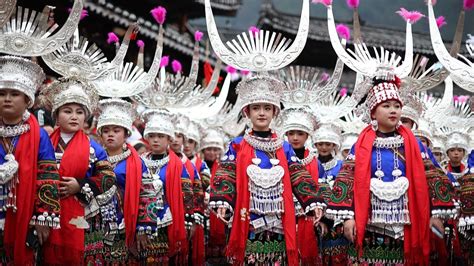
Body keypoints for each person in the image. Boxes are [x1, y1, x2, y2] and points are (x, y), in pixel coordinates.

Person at [326, 76, 458, 264]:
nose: (393, 110)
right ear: (373, 112)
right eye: (386, 105)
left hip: (407, 224)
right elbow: (347, 179)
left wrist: (436, 214)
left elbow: (432, 176)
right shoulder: (362, 145)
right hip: (370, 224)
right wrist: (348, 218)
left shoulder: (414, 144)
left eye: (396, 105)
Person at [210, 76, 328, 265]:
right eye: (256, 108)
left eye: (267, 108)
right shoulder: (237, 145)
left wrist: (312, 201)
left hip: (278, 222)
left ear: (274, 112)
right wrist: (223, 200)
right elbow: (226, 175)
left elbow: (299, 175)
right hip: (248, 219)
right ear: (247, 112)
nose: (262, 113)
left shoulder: (285, 147)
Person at [41, 77, 116, 265]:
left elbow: (108, 178)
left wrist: (81, 186)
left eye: (79, 112)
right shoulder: (44, 142)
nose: (74, 116)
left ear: (86, 117)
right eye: (67, 111)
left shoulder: (94, 148)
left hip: (82, 216)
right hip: (47, 214)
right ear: (56, 116)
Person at [0, 55, 61, 265]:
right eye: (2, 93)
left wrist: (43, 217)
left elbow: (48, 176)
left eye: (14, 94)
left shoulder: (39, 135)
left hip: (23, 214)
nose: (7, 98)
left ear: (27, 100)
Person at [95, 98, 150, 264]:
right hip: (95, 224)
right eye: (106, 130)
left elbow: (147, 195)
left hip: (125, 224)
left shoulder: (138, 163)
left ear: (126, 133)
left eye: (116, 130)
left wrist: (142, 228)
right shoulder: (92, 158)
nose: (110, 134)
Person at [278, 106, 330, 265]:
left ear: (308, 135)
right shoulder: (277, 157)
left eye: (300, 133)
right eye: (290, 133)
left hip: (307, 218)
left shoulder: (315, 162)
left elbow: (323, 191)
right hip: (282, 216)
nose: (295, 137)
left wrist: (324, 220)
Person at [138, 109, 190, 264]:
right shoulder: (139, 162)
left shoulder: (177, 165)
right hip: (142, 222)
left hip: (168, 220)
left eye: (160, 136)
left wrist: (188, 220)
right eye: (152, 136)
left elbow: (187, 193)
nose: (156, 140)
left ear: (168, 139)